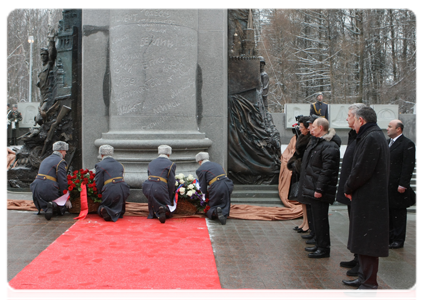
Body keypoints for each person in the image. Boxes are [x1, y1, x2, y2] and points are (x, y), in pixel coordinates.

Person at [342, 106, 389, 298]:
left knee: (368, 241)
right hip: (368, 197)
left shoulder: (371, 137)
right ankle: (363, 278)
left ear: (361, 120)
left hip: (370, 199)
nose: (349, 120)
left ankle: (369, 285)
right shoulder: (373, 136)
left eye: (352, 117)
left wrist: (348, 187)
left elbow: (362, 168)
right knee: (363, 240)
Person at [299, 117, 340, 258]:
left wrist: (319, 189)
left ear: (321, 128)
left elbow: (327, 171)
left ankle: (323, 248)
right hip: (313, 187)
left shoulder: (329, 146)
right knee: (316, 220)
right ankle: (318, 244)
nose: (311, 129)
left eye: (314, 127)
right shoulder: (318, 143)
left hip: (319, 190)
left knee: (321, 220)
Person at [336, 103, 365, 276]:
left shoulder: (365, 137)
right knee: (354, 227)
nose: (347, 118)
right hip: (351, 191)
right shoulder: (354, 135)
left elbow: (361, 167)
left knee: (360, 228)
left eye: (349, 115)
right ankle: (357, 258)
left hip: (357, 193)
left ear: (358, 117)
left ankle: (361, 263)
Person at [386, 119, 418, 249]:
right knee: (388, 212)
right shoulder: (387, 142)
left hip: (398, 185)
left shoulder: (407, 144)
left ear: (398, 129)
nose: (387, 128)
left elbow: (408, 166)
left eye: (390, 126)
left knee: (398, 214)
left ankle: (398, 239)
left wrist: (403, 184)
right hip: (387, 185)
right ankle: (390, 237)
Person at [30, 141, 68, 220]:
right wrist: (65, 194)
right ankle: (53, 205)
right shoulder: (60, 162)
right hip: (48, 188)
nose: (65, 153)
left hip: (36, 188)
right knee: (62, 208)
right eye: (65, 151)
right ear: (61, 151)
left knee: (44, 199)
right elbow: (62, 181)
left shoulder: (45, 159)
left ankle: (45, 207)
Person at [287, 116, 312, 233]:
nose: (300, 129)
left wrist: (296, 163)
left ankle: (307, 224)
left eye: (302, 127)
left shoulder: (310, 139)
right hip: (300, 170)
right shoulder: (302, 137)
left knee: (305, 200)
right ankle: (304, 222)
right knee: (302, 199)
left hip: (304, 170)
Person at [195, 152, 234, 225]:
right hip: (228, 184)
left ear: (200, 161)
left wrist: (203, 198)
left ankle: (216, 211)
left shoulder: (201, 169)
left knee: (213, 204)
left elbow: (202, 186)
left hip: (217, 185)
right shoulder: (217, 164)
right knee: (225, 201)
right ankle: (224, 214)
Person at [95, 145, 130, 222]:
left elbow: (99, 182)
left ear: (101, 155)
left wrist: (99, 193)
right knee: (119, 206)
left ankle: (105, 210)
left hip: (110, 189)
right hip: (124, 189)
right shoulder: (120, 165)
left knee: (102, 206)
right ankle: (116, 212)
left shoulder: (100, 165)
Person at [143, 145, 177, 223]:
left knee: (153, 199)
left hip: (147, 186)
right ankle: (164, 208)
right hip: (160, 186)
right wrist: (170, 196)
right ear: (168, 154)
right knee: (170, 210)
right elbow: (171, 182)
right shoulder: (171, 164)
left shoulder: (151, 163)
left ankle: (155, 213)